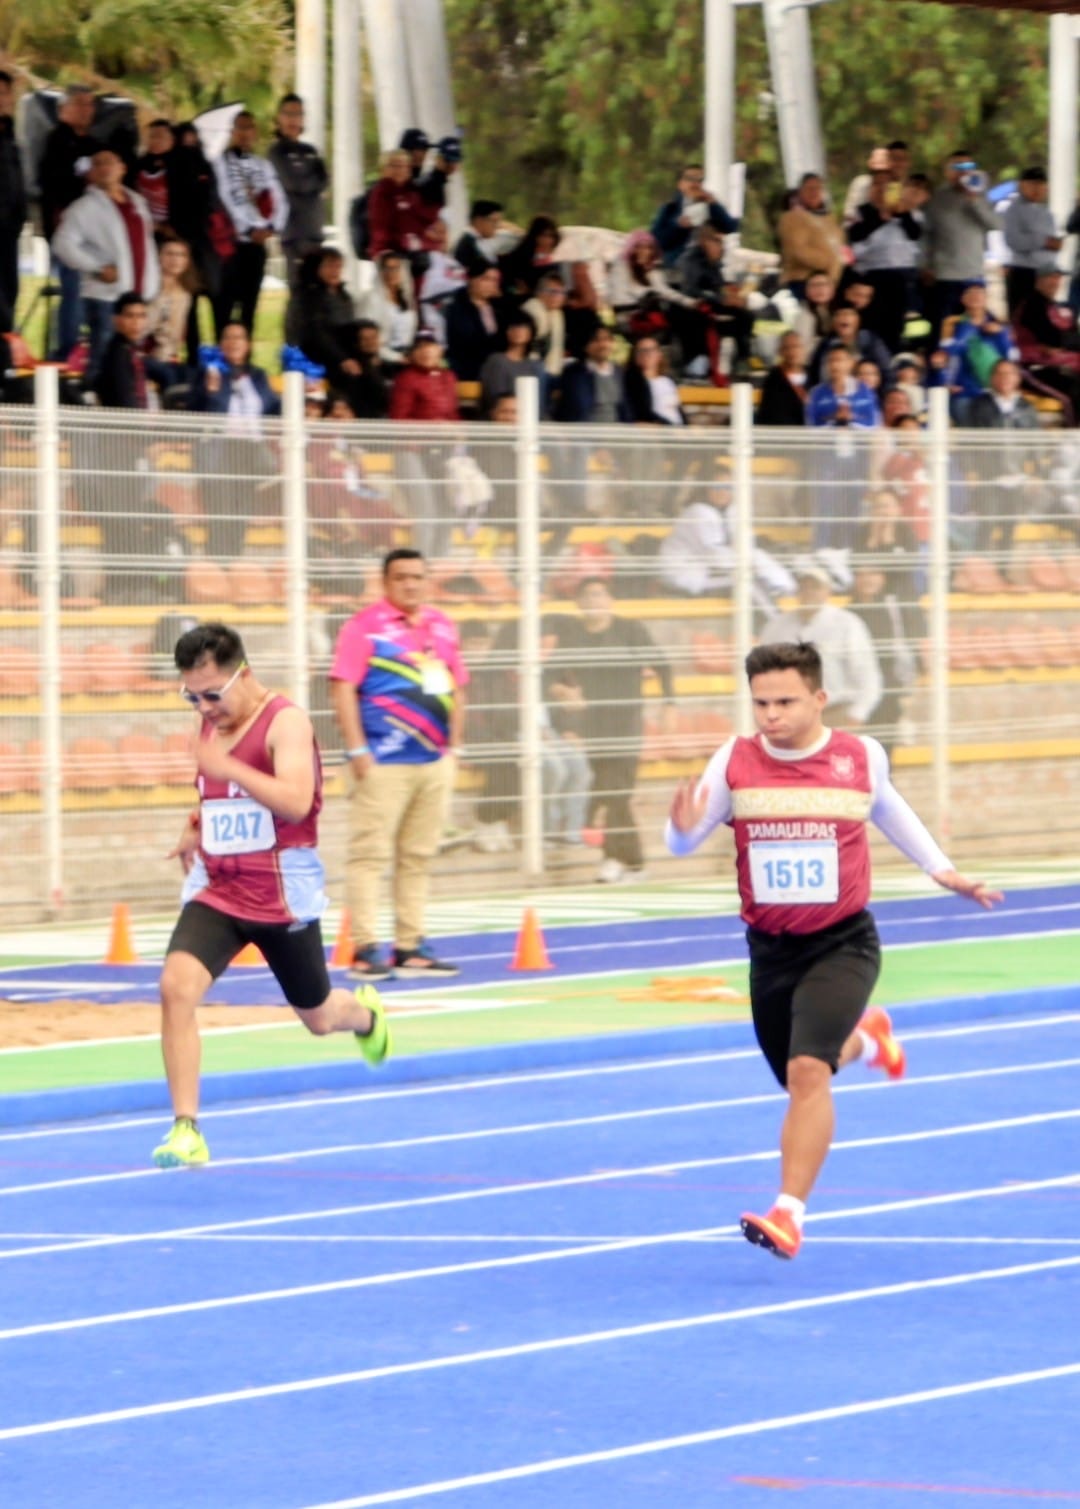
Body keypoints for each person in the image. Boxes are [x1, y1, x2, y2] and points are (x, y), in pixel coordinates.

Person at [666, 639, 1002, 1259]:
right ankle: (869, 1040)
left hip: (842, 943)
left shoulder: (859, 756)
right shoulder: (735, 761)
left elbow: (892, 812)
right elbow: (681, 843)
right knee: (800, 1073)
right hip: (770, 951)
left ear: (819, 698)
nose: (772, 715)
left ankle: (788, 1214)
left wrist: (942, 870)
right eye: (761, 703)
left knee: (807, 1072)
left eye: (786, 702)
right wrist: (682, 828)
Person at [155, 621, 391, 1168]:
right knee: (175, 988)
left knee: (319, 1018)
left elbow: (295, 801)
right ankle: (186, 1129)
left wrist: (230, 766)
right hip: (219, 888)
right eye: (191, 697)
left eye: (212, 695)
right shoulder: (211, 722)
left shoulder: (286, 722)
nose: (204, 708)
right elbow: (218, 792)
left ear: (243, 674)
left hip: (281, 896)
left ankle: (365, 1017)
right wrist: (196, 823)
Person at [329, 549, 468, 979]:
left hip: (434, 760)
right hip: (382, 761)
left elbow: (457, 685)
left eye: (417, 577)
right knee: (370, 856)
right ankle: (366, 948)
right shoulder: (364, 628)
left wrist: (454, 748)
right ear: (385, 582)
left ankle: (409, 946)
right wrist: (358, 751)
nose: (410, 584)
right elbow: (342, 688)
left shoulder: (441, 625)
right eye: (401, 577)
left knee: (418, 855)